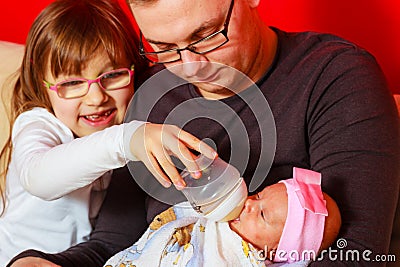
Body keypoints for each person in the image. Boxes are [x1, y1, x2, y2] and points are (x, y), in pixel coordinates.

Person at [8, 0, 400, 266]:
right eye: (162, 46)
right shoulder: (152, 95)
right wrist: (42, 261)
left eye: (207, 36)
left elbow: (356, 253)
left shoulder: (334, 78)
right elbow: (114, 244)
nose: (190, 67)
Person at [0, 0, 216, 266]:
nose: (95, 97)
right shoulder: (39, 125)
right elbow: (38, 179)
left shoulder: (140, 114)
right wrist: (128, 140)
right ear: (43, 84)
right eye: (72, 83)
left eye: (113, 76)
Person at [103, 168, 341, 266]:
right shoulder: (227, 224)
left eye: (262, 214)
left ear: (277, 251)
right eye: (258, 196)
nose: (248, 203)